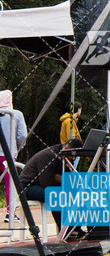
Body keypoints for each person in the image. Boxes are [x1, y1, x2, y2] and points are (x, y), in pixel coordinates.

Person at [19, 138, 83, 237]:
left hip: (40, 184)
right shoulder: (49, 156)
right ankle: (66, 230)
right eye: (72, 156)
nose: (73, 159)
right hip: (28, 187)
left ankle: (75, 227)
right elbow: (47, 183)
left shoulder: (62, 154)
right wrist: (62, 180)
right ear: (66, 149)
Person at [0, 90, 27, 221]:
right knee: (10, 184)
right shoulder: (16, 114)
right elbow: (22, 135)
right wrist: (18, 147)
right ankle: (10, 214)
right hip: (9, 155)